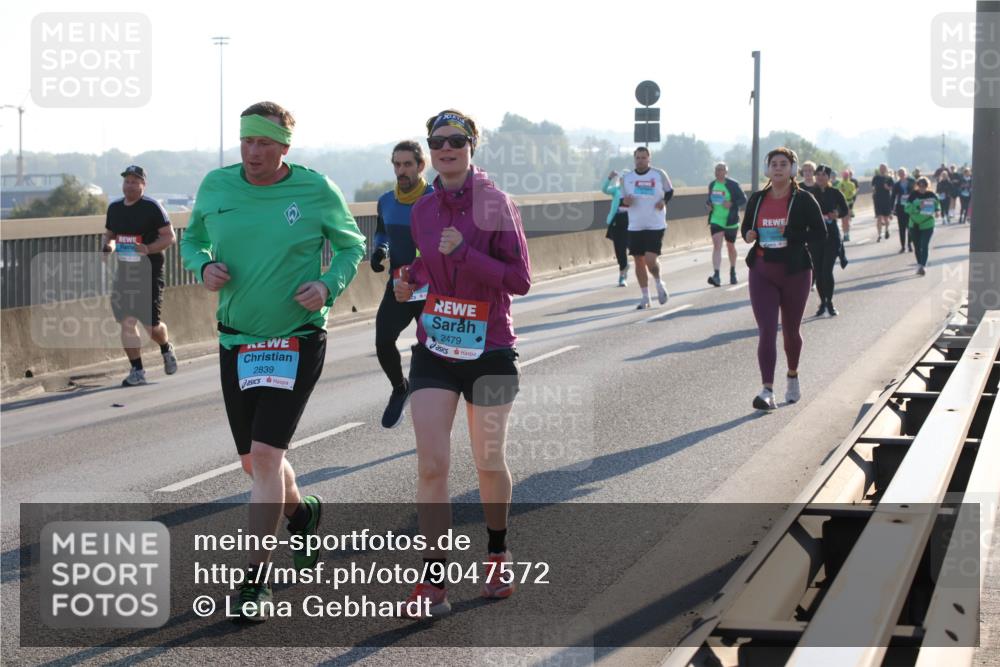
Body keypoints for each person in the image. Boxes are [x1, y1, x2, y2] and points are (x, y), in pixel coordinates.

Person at [180, 101, 366, 621]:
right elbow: (191, 238)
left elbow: (352, 246)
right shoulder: (216, 187)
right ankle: (303, 514)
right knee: (254, 462)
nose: (253, 152)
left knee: (264, 458)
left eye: (264, 143)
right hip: (236, 342)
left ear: (285, 146)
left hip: (296, 339)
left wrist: (327, 284)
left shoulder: (315, 190)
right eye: (247, 142)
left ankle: (253, 582)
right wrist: (203, 264)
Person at [393, 109, 531, 618]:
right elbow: (428, 264)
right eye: (437, 141)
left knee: (488, 462)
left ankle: (497, 552)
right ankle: (434, 579)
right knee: (432, 464)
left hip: (491, 349)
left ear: (472, 146)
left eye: (455, 140)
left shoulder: (496, 203)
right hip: (436, 347)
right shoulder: (424, 209)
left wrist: (469, 254)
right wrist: (409, 278)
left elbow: (520, 279)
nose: (445, 148)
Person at [741, 147, 826, 410]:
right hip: (762, 269)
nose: (778, 168)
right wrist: (748, 235)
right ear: (768, 169)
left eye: (783, 164)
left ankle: (792, 375)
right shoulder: (757, 198)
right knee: (766, 330)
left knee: (790, 331)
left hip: (795, 272)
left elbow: (820, 233)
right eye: (773, 164)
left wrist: (790, 233)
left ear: (792, 169)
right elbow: (746, 228)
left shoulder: (803, 200)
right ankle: (767, 390)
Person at [371, 141, 434, 428]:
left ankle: (437, 411)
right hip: (399, 284)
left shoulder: (435, 199)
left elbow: (437, 244)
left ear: (421, 166)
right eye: (397, 164)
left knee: (433, 350)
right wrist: (380, 250)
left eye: (408, 164)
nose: (401, 170)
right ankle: (400, 387)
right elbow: (382, 232)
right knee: (383, 340)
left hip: (431, 286)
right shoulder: (385, 200)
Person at [101, 165, 178, 386]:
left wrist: (148, 248)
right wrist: (108, 247)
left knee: (151, 327)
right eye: (127, 181)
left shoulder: (152, 207)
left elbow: (169, 237)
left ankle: (165, 347)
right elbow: (110, 235)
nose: (130, 185)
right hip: (125, 271)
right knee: (127, 321)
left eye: (135, 181)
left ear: (143, 185)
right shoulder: (115, 208)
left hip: (149, 271)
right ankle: (137, 370)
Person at [621, 147, 674, 309]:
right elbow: (622, 201)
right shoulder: (627, 178)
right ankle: (645, 297)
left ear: (649, 159)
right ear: (634, 159)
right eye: (638, 158)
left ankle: (659, 283)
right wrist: (626, 202)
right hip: (635, 224)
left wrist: (664, 202)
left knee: (651, 260)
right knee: (638, 260)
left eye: (643, 158)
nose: (640, 160)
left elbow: (670, 191)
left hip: (655, 223)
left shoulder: (659, 174)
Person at [803, 165, 849, 316]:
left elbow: (845, 210)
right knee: (818, 270)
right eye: (818, 174)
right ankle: (822, 302)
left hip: (831, 236)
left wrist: (837, 213)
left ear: (829, 177)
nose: (821, 177)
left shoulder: (835, 192)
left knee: (827, 270)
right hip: (815, 237)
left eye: (824, 175)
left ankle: (830, 302)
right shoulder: (810, 193)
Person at [705, 162, 747, 286]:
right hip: (716, 219)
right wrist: (708, 205)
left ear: (726, 172)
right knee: (717, 245)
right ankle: (716, 275)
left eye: (721, 170)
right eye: (717, 170)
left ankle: (733, 271)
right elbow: (709, 199)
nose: (718, 172)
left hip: (731, 220)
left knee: (730, 246)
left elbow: (743, 199)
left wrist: (732, 203)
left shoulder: (733, 185)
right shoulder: (712, 184)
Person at [904, 177, 941, 276]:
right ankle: (919, 264)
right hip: (914, 224)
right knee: (917, 246)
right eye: (919, 185)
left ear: (927, 185)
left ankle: (922, 266)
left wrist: (937, 211)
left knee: (924, 245)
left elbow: (937, 206)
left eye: (924, 185)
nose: (922, 188)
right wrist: (917, 207)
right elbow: (907, 208)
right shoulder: (913, 195)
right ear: (917, 185)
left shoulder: (932, 195)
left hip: (927, 224)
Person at [602, 169, 630, 286]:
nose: (623, 180)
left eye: (626, 178)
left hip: (631, 221)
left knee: (635, 247)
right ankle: (622, 274)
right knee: (619, 249)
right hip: (617, 221)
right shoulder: (616, 190)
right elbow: (604, 190)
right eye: (621, 178)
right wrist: (609, 178)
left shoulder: (633, 191)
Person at [892, 167, 916, 253]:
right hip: (900, 208)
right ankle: (903, 246)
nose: (901, 174)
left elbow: (916, 192)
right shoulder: (896, 184)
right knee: (901, 228)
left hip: (910, 207)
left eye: (903, 173)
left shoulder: (912, 182)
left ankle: (909, 244)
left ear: (906, 173)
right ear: (898, 175)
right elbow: (893, 196)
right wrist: (892, 209)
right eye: (900, 173)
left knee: (910, 226)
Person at [872, 163, 895, 242]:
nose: (882, 169)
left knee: (886, 218)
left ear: (886, 169)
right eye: (881, 168)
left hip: (886, 200)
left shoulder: (889, 178)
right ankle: (879, 235)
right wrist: (874, 191)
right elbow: (873, 186)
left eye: (883, 168)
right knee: (879, 218)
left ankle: (887, 230)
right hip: (878, 200)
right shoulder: (876, 177)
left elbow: (892, 188)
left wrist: (887, 187)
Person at [835, 169, 857, 242]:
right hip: (841, 203)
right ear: (842, 176)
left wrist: (852, 193)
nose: (845, 176)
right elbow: (836, 191)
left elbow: (854, 191)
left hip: (849, 203)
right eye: (844, 175)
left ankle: (846, 234)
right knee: (843, 220)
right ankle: (845, 233)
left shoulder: (851, 184)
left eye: (846, 175)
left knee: (846, 220)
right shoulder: (840, 184)